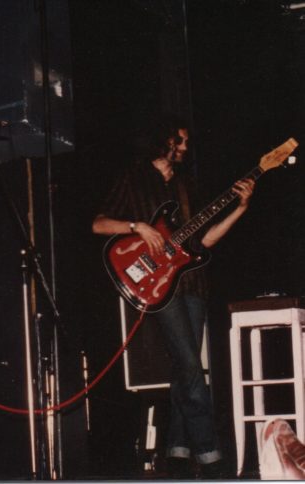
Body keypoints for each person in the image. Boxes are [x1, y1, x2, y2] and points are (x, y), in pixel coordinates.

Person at [91, 115, 255, 479]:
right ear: (161, 140)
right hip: (157, 285)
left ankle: (178, 450)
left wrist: (241, 207)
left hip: (193, 283)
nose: (183, 147)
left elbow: (204, 241)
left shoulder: (186, 185)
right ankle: (210, 454)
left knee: (186, 368)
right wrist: (137, 226)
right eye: (178, 141)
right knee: (192, 367)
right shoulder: (134, 177)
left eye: (185, 142)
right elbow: (98, 223)